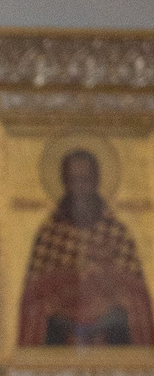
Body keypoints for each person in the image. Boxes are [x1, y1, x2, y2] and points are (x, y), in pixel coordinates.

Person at [16, 144, 154, 346]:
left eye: (85, 179)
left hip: (108, 320)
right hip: (62, 319)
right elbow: (32, 295)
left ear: (96, 181)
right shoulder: (50, 233)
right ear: (64, 182)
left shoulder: (116, 231)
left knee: (120, 319)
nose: (79, 187)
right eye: (72, 180)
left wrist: (107, 279)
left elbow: (137, 294)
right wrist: (62, 285)